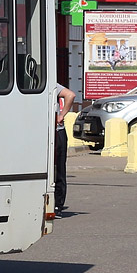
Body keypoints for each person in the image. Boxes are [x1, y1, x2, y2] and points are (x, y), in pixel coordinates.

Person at [54, 84, 77, 214]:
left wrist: (61, 115)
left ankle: (58, 205)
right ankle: (56, 205)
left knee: (58, 170)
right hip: (52, 133)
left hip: (57, 132)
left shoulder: (51, 84)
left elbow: (70, 95)